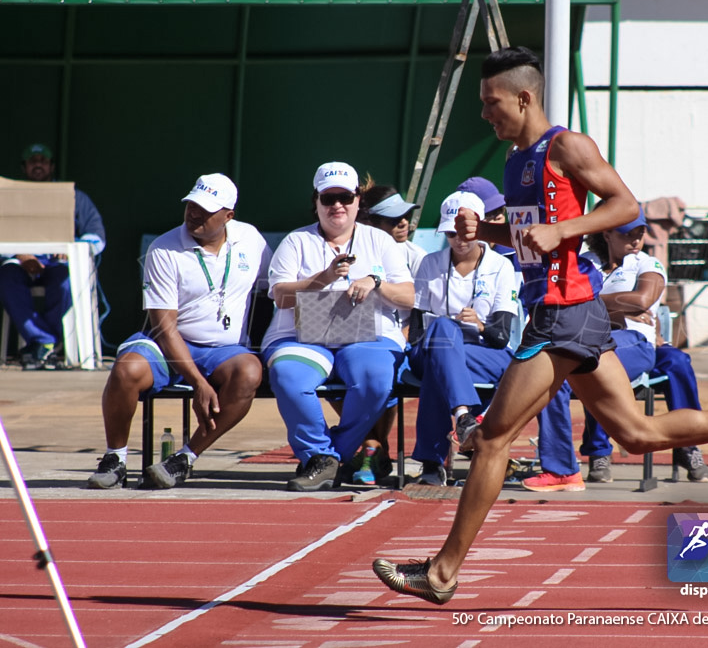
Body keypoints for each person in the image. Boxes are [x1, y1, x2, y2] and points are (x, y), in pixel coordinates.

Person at [372, 46, 708, 604]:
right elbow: (530, 238)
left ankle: (443, 573)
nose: (484, 114)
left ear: (524, 97)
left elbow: (625, 204)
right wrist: (486, 233)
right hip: (566, 311)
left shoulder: (567, 146)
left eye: (491, 103)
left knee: (492, 438)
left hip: (564, 313)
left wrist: (567, 230)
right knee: (638, 435)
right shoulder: (516, 162)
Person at [87, 174, 269, 489]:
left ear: (229, 216)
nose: (194, 214)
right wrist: (198, 383)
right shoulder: (164, 248)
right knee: (127, 368)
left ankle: (183, 460)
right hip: (168, 342)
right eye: (191, 205)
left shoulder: (251, 239)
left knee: (251, 372)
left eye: (205, 209)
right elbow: (164, 326)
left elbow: (276, 287)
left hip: (224, 350)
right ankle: (115, 458)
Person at [523, 206, 708, 492]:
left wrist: (587, 303)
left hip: (631, 342)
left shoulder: (646, 263)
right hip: (583, 339)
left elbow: (642, 300)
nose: (636, 240)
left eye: (641, 233)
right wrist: (614, 306)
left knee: (672, 361)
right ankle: (562, 468)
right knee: (552, 374)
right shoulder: (585, 262)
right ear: (607, 233)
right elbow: (559, 299)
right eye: (627, 234)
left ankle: (681, 446)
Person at [261, 162, 414, 492]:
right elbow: (280, 295)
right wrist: (324, 278)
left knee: (376, 378)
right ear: (315, 201)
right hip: (301, 337)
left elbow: (407, 297)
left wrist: (375, 282)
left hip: (367, 336)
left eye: (345, 197)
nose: (337, 206)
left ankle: (329, 457)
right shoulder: (296, 241)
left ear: (359, 200)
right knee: (289, 377)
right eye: (328, 198)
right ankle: (321, 455)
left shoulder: (380, 241)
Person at [406, 190, 518, 486]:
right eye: (451, 232)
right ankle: (466, 420)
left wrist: (480, 326)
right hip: (433, 348)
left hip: (485, 352)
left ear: (479, 228)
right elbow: (416, 331)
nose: (459, 239)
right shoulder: (430, 263)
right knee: (442, 332)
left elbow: (500, 337)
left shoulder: (501, 266)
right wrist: (447, 330)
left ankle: (433, 463)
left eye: (465, 231)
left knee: (438, 365)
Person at [334, 181, 424, 486]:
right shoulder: (343, 250)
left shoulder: (417, 256)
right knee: (346, 374)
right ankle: (375, 448)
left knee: (381, 372)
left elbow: (420, 312)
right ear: (368, 222)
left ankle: (369, 448)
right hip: (348, 338)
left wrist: (403, 336)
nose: (403, 223)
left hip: (402, 342)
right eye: (392, 219)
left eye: (405, 215)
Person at [0, 143, 105, 369]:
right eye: (32, 161)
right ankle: (44, 340)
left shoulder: (75, 197)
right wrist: (20, 254)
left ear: (52, 167)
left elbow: (97, 238)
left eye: (43, 161)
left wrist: (71, 247)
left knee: (67, 283)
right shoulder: (9, 197)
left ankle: (42, 343)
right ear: (24, 167)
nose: (38, 165)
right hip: (21, 262)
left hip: (58, 263)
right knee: (6, 276)